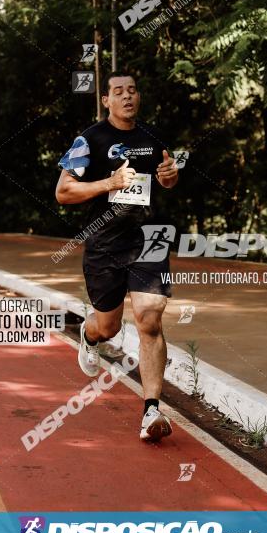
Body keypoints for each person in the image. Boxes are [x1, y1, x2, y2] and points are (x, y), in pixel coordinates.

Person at [55, 72, 179, 442]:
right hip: (105, 244)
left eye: (133, 91)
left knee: (149, 318)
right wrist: (109, 183)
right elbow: (63, 191)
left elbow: (165, 182)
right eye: (118, 92)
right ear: (106, 100)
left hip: (148, 238)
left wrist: (170, 176)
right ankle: (89, 335)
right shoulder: (89, 140)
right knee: (108, 326)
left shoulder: (152, 138)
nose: (127, 97)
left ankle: (151, 410)